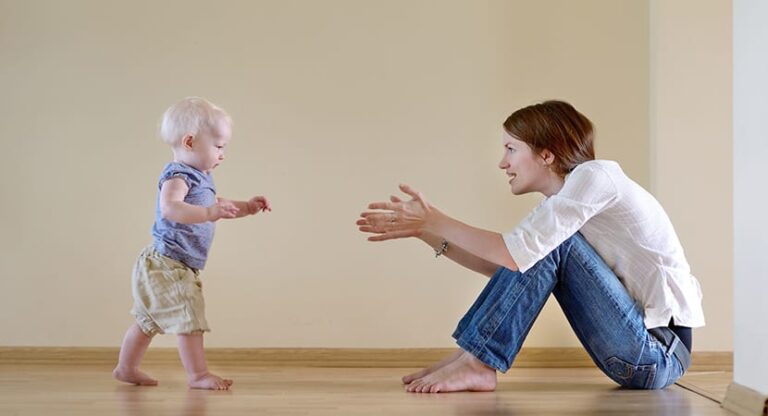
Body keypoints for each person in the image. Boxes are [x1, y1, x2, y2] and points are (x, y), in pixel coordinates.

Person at [357, 100, 704, 393]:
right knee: (531, 253)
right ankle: (470, 356)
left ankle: (478, 362)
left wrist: (434, 219)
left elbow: (514, 255)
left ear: (547, 155)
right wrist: (425, 232)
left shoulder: (596, 177)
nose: (502, 162)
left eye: (511, 149)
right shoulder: (564, 204)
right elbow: (511, 269)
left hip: (656, 353)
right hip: (635, 353)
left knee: (539, 248)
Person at [113, 97, 271, 390]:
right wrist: (210, 213)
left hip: (169, 263)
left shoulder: (202, 177)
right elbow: (170, 208)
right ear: (190, 142)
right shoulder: (178, 176)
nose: (223, 154)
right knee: (190, 316)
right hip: (168, 264)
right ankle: (197, 375)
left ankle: (126, 367)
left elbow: (218, 204)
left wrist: (247, 207)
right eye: (219, 146)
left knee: (148, 320)